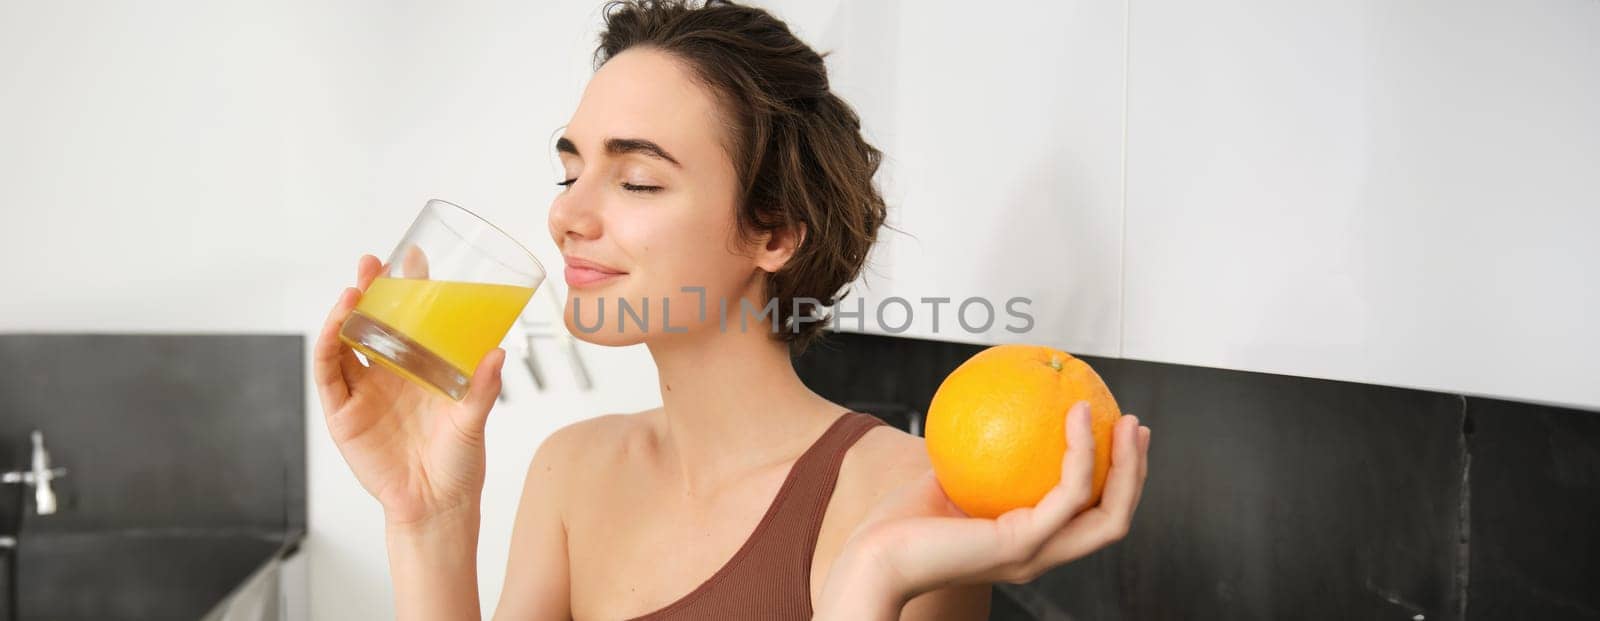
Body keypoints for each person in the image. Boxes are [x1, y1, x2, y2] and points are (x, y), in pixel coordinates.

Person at [313, 1, 1152, 619]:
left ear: (776, 232)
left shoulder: (905, 498)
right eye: (571, 171)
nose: (569, 213)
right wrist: (427, 518)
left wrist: (872, 582)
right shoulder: (570, 472)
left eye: (637, 179)